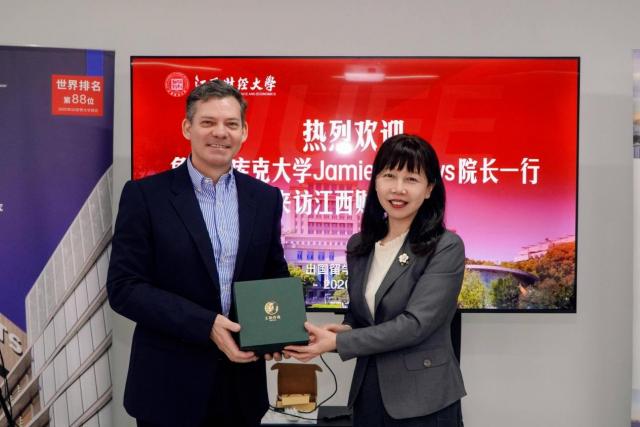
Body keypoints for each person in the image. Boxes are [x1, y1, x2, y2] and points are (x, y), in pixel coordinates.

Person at [107, 80, 289, 427]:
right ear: (187, 127)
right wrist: (206, 325)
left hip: (240, 386)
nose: (220, 132)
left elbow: (273, 273)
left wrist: (281, 329)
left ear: (244, 131)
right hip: (167, 387)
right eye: (208, 122)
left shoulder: (265, 198)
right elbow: (124, 288)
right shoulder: (146, 196)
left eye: (231, 123)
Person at [285, 134, 466, 426]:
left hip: (424, 398)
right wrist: (343, 329)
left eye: (411, 179)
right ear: (376, 182)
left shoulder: (446, 246)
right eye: (389, 175)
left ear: (429, 189)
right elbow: (363, 316)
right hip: (369, 392)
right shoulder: (360, 244)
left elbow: (416, 325)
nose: (398, 188)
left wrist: (338, 341)